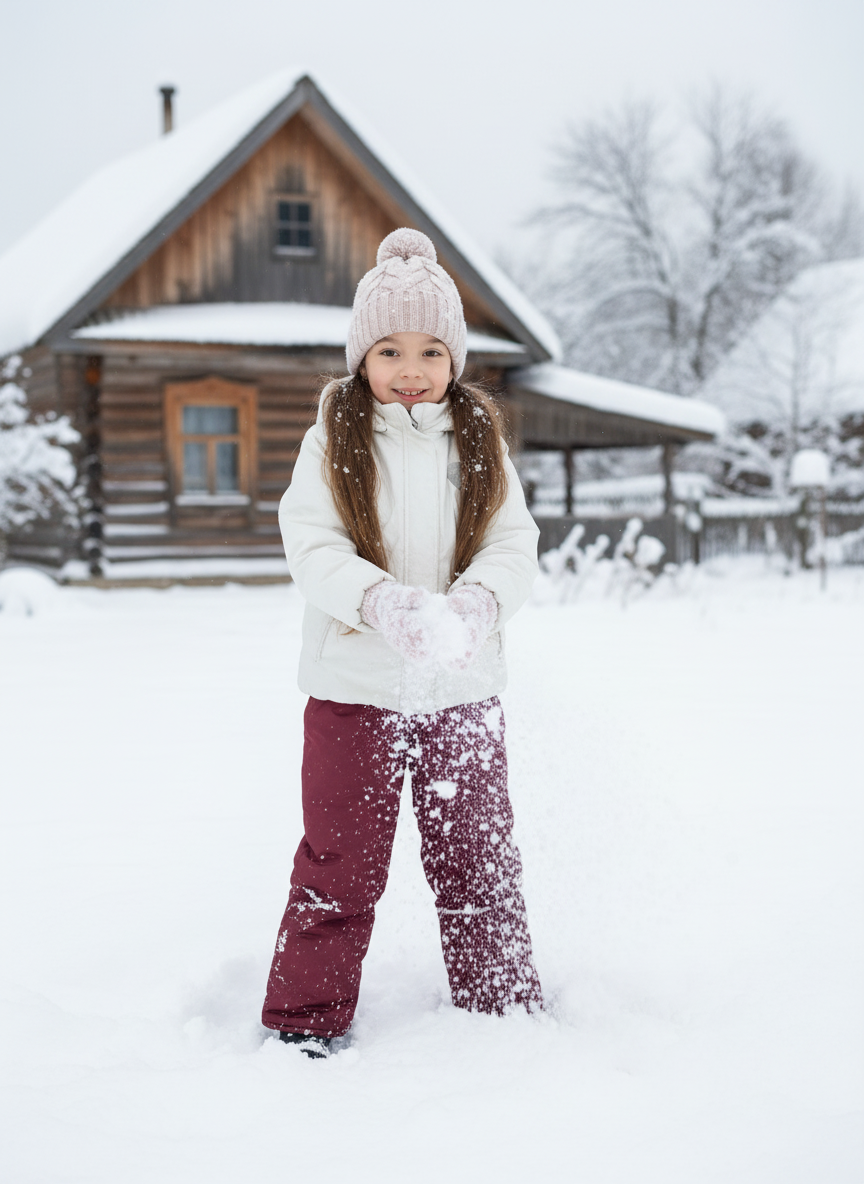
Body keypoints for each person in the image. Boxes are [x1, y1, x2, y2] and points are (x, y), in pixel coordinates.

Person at [262, 228, 543, 1058]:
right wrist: (378, 601)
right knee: (338, 864)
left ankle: (502, 1006)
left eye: (430, 350)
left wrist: (481, 603)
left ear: (454, 357)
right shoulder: (333, 439)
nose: (411, 369)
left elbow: (513, 542)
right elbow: (311, 545)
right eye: (390, 350)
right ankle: (306, 1023)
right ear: (362, 358)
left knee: (479, 859)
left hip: (461, 691)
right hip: (355, 691)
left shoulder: (480, 441)